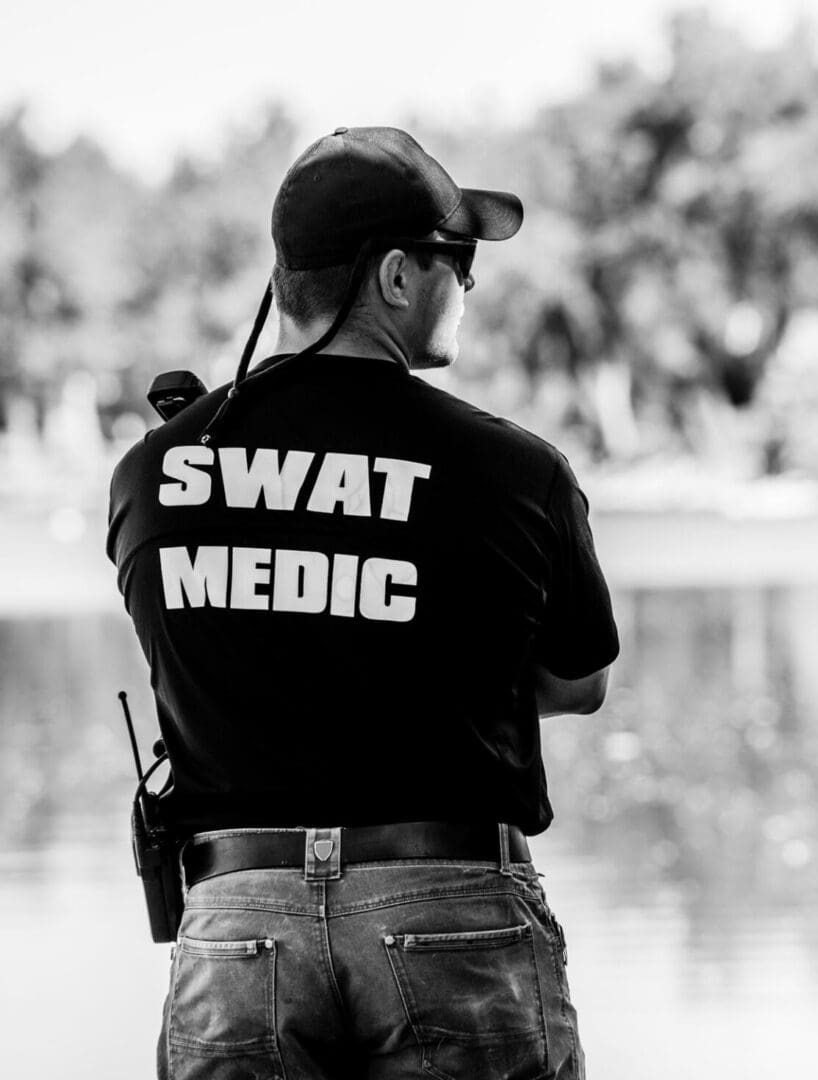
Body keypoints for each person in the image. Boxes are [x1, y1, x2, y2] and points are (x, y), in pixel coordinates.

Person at [106, 126, 618, 1080]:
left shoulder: (155, 472)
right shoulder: (512, 471)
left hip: (234, 930)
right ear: (393, 276)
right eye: (455, 262)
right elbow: (578, 683)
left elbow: (204, 658)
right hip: (449, 918)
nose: (466, 288)